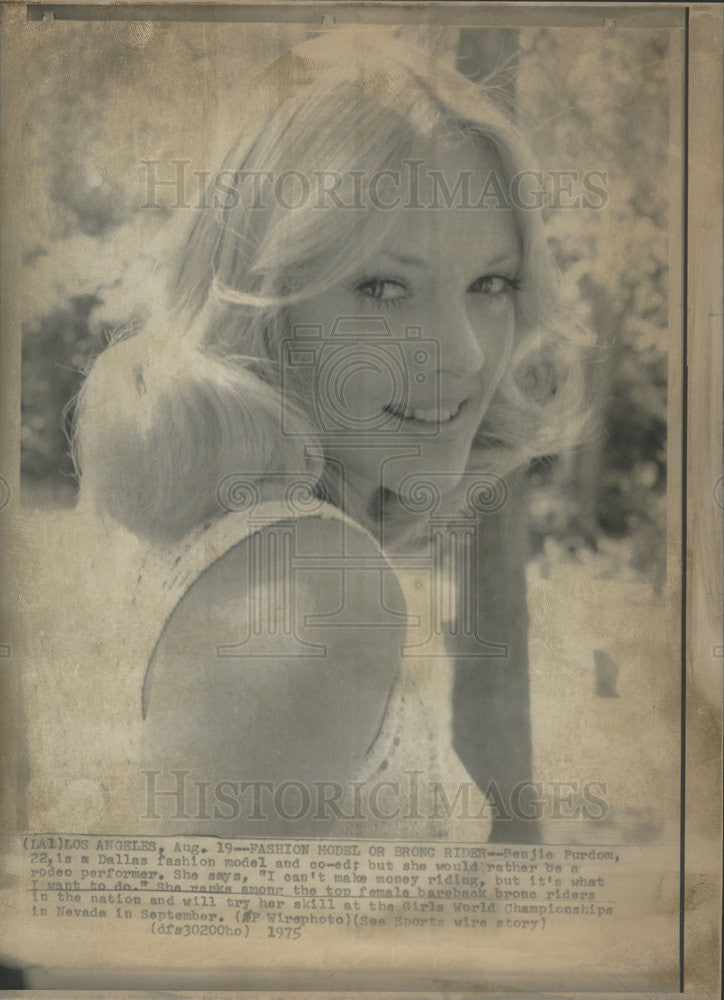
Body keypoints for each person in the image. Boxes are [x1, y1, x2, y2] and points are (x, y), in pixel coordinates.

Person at [58, 28, 588, 840]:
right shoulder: (315, 580)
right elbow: (191, 954)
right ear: (263, 304)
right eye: (383, 287)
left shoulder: (215, 530)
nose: (465, 352)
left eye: (490, 282)